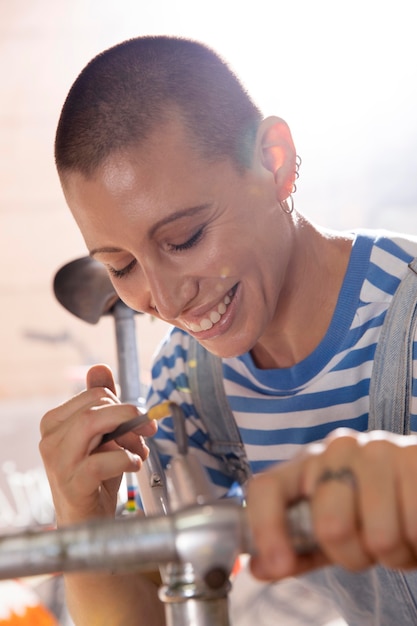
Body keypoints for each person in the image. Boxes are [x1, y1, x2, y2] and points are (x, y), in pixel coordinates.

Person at [39, 35, 417, 626]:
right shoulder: (189, 382)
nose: (164, 300)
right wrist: (84, 523)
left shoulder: (409, 318)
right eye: (122, 266)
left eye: (185, 238)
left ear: (275, 161)